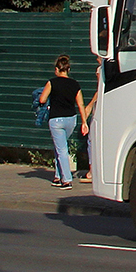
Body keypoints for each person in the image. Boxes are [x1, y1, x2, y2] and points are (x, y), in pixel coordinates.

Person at [39, 55, 88, 190]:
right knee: (60, 146)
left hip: (56, 119)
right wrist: (84, 122)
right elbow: (81, 104)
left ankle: (66, 180)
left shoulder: (52, 83)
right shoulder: (75, 84)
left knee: (61, 149)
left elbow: (42, 99)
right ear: (68, 69)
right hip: (71, 119)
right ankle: (57, 176)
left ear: (56, 69)